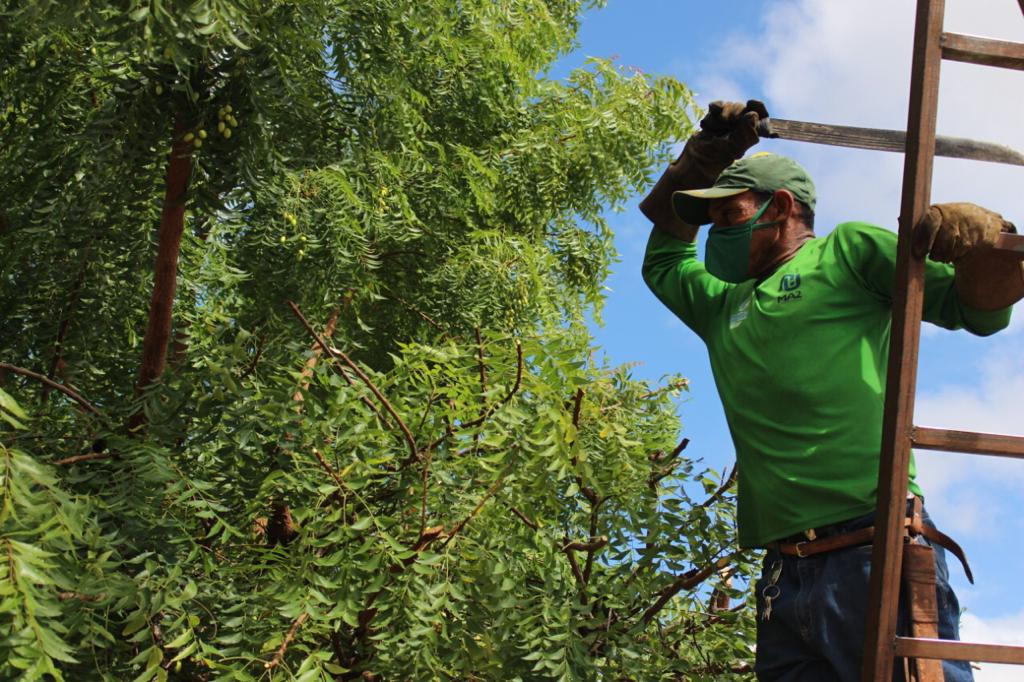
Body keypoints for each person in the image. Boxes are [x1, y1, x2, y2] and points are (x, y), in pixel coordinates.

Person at [639, 100, 1024, 681]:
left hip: (872, 550)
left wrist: (990, 244)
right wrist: (705, 158)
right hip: (784, 575)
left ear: (782, 207)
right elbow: (664, 259)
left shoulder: (845, 254)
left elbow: (975, 307)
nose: (718, 231)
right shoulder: (721, 306)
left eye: (730, 214)